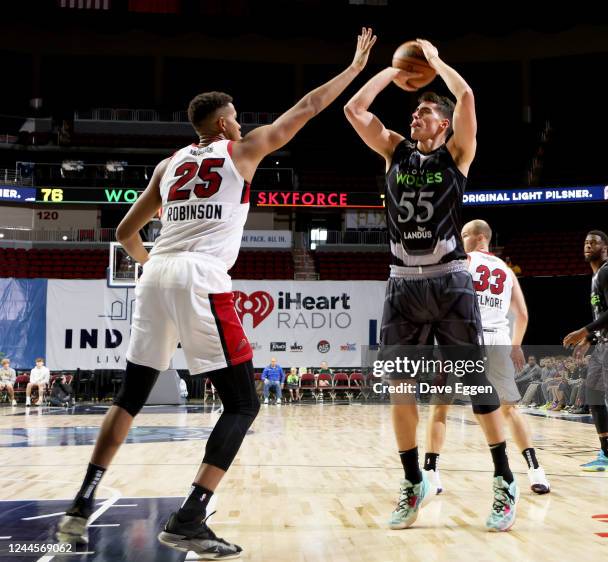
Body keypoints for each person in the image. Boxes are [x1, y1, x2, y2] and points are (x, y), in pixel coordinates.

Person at [56, 28, 378, 558]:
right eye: (238, 114)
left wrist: (157, 267)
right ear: (226, 122)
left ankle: (79, 504)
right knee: (243, 403)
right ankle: (189, 517)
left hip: (156, 273)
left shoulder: (169, 165)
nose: (243, 119)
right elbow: (309, 105)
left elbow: (123, 235)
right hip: (200, 277)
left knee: (130, 396)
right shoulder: (244, 149)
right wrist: (354, 67)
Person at [344, 38, 517, 531]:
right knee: (401, 388)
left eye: (424, 112)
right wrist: (390, 74)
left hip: (450, 281)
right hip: (401, 284)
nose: (415, 116)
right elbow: (356, 109)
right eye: (414, 111)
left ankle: (505, 480)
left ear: (442, 124)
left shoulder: (458, 154)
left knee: (473, 382)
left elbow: (466, 99)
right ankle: (412, 481)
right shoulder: (394, 151)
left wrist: (436, 65)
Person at [424, 220, 550, 495]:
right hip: (498, 341)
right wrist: (516, 345)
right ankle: (535, 471)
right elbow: (523, 315)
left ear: (480, 237)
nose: (462, 239)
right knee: (510, 409)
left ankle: (431, 475)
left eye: (465, 235)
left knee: (440, 408)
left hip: (465, 340)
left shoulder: (462, 262)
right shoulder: (507, 270)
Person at [563, 230, 608, 472]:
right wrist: (591, 338)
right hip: (603, 344)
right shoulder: (595, 277)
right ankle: (606, 452)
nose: (588, 245)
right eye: (585, 242)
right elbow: (604, 317)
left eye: (593, 242)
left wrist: (583, 331)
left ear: (605, 246)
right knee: (593, 395)